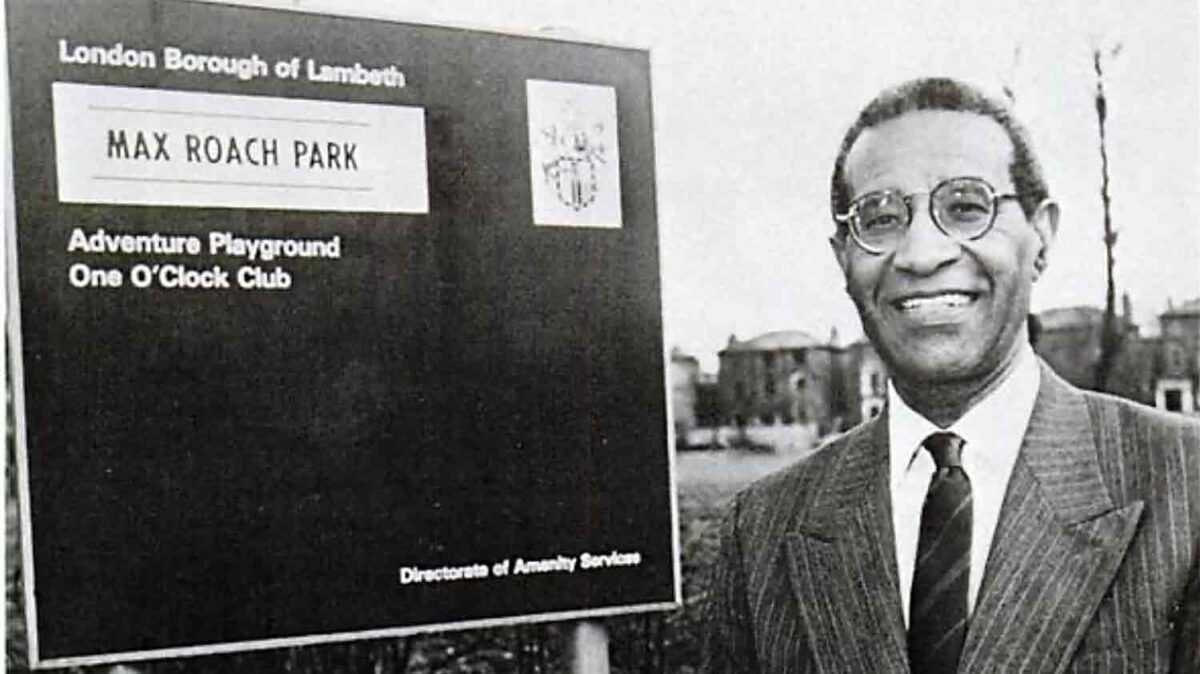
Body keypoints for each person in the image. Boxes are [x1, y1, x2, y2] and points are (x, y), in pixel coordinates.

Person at [701, 77, 1200, 673]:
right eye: (879, 217)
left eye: (966, 207)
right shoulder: (760, 531)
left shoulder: (1185, 485)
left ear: (1042, 236)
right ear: (843, 257)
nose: (921, 253)